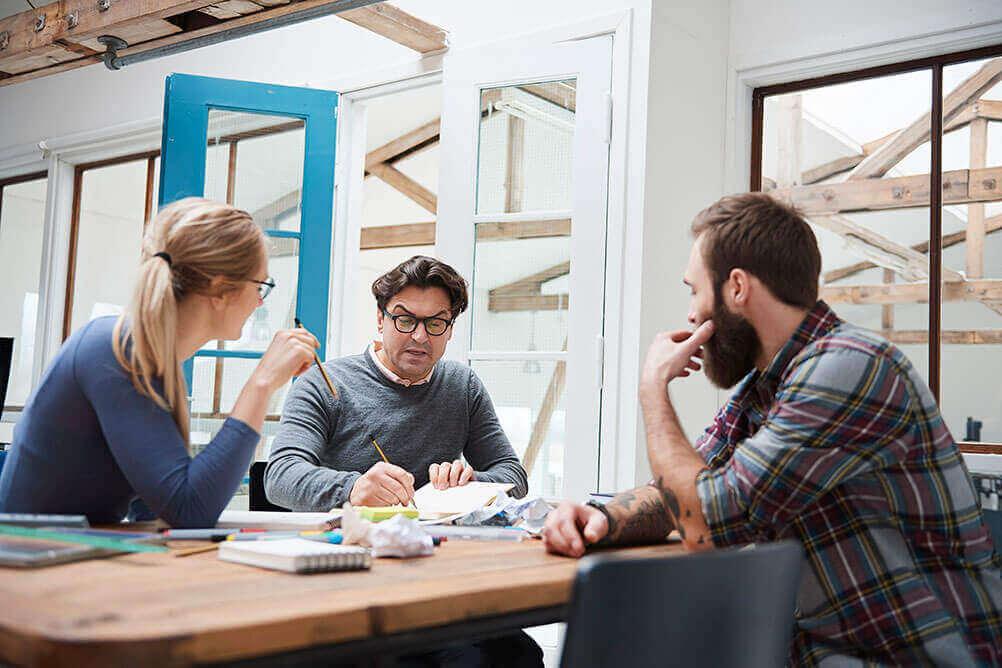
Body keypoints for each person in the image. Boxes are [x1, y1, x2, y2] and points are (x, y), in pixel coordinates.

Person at [542, 193, 1002, 665]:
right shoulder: (768, 387)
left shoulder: (847, 367)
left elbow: (703, 524)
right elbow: (687, 491)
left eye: (694, 290)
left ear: (737, 287)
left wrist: (652, 388)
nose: (691, 314)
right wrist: (604, 518)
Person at [0, 198, 318, 528]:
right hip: (28, 560)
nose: (258, 301)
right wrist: (262, 383)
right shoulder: (117, 350)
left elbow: (154, 510)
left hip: (71, 554)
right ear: (221, 289)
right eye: (261, 286)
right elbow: (189, 510)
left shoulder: (150, 356)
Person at [265, 255, 528, 511]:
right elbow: (280, 476)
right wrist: (353, 488)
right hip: (346, 544)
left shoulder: (463, 386)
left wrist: (472, 483)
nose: (419, 336)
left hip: (436, 546)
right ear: (381, 320)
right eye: (405, 320)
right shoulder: (323, 384)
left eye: (436, 323)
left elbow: (514, 476)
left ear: (450, 329)